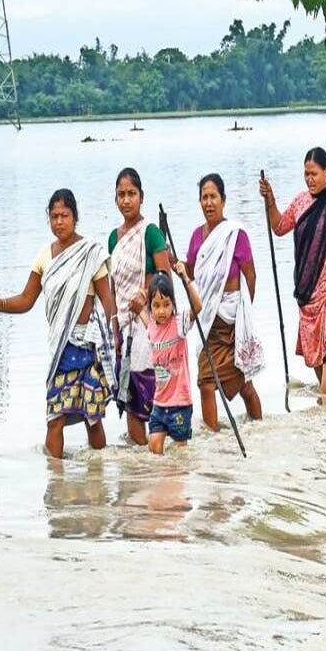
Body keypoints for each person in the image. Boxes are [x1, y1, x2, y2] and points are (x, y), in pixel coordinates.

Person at [0, 189, 119, 458]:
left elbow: (108, 302)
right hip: (60, 352)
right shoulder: (45, 255)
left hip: (88, 349)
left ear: (75, 217)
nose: (59, 222)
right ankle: (55, 481)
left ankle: (99, 474)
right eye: (54, 217)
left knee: (93, 418)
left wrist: (114, 342)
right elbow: (27, 299)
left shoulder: (91, 253)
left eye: (64, 215)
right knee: (54, 418)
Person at [259, 148, 326, 397]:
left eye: (314, 173)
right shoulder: (301, 201)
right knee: (315, 357)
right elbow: (280, 227)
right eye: (306, 174)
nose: (310, 179)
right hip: (307, 291)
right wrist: (270, 199)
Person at [182, 173, 264, 430]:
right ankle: (213, 438)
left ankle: (259, 427)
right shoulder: (197, 236)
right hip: (208, 321)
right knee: (206, 382)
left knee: (244, 384)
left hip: (231, 322)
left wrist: (243, 312)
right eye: (204, 198)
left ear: (223, 200)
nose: (209, 203)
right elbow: (194, 272)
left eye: (213, 197)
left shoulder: (235, 234)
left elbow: (250, 274)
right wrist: (177, 266)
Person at [107, 167, 170, 446]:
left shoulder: (151, 233)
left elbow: (165, 276)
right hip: (124, 325)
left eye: (132, 194)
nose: (126, 200)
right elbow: (113, 284)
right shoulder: (114, 238)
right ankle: (142, 457)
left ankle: (158, 460)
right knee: (130, 396)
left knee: (152, 390)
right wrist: (114, 326)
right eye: (121, 194)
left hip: (147, 324)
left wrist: (145, 295)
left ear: (141, 197)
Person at [138, 271, 195, 454]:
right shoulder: (152, 327)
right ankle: (162, 481)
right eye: (156, 306)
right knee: (154, 446)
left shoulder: (179, 324)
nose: (161, 311)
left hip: (180, 402)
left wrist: (186, 279)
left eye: (166, 305)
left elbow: (198, 307)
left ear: (173, 304)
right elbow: (147, 323)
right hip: (160, 402)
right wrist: (139, 308)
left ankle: (177, 480)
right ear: (150, 308)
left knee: (180, 453)